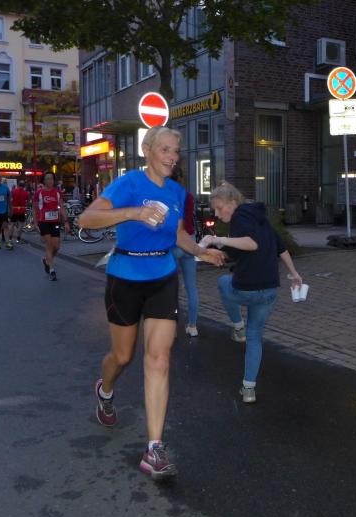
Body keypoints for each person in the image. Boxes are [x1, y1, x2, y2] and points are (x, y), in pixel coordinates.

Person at [78, 126, 225, 481]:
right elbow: (87, 219)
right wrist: (133, 213)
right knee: (123, 356)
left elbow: (178, 234)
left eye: (176, 150)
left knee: (159, 358)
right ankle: (105, 390)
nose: (172, 157)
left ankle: (154, 448)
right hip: (125, 277)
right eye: (165, 149)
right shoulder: (128, 184)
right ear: (147, 150)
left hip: (162, 276)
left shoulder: (176, 191)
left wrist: (201, 252)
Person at [200, 181, 302, 404]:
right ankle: (249, 389)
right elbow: (281, 248)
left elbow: (251, 244)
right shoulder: (260, 219)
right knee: (255, 338)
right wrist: (294, 274)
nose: (217, 214)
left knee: (223, 282)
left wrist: (216, 239)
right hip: (269, 291)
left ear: (232, 202)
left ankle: (238, 327)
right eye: (214, 210)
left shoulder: (241, 216)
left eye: (219, 208)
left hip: (245, 289)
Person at [170, 166, 200, 337]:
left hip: (174, 243)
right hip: (190, 241)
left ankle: (172, 327)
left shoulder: (165, 195)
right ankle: (193, 326)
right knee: (191, 288)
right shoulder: (188, 196)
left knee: (171, 288)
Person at [34, 172, 69, 280]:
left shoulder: (57, 192)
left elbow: (61, 207)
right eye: (47, 179)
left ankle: (46, 260)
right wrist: (35, 223)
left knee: (56, 247)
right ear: (44, 180)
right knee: (49, 245)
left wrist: (66, 221)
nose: (49, 181)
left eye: (51, 179)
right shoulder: (39, 193)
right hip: (43, 222)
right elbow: (35, 209)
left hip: (55, 222)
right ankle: (52, 270)